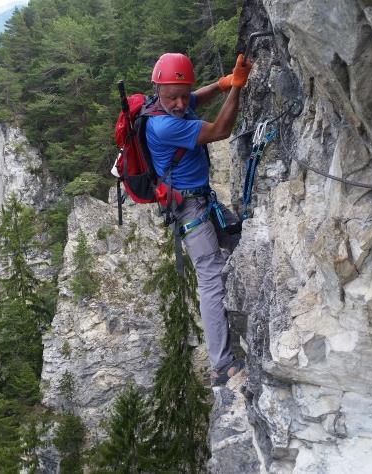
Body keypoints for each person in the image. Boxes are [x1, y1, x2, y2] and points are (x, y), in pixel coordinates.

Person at [146, 52, 251, 386]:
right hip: (190, 211)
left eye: (181, 95)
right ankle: (221, 365)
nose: (179, 104)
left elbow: (194, 97)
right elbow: (221, 130)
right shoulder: (165, 125)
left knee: (242, 242)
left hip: (202, 201)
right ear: (158, 91)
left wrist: (222, 84)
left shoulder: (164, 102)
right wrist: (237, 89)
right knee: (210, 280)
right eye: (171, 98)